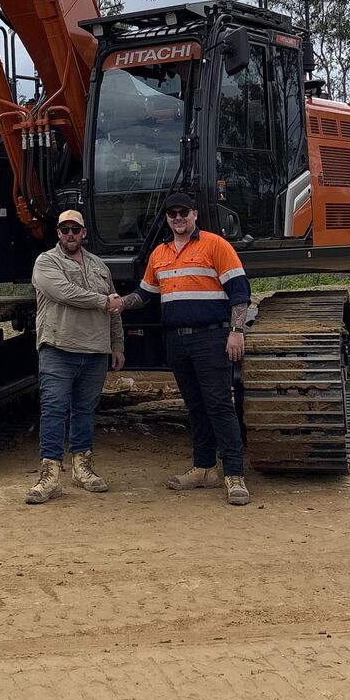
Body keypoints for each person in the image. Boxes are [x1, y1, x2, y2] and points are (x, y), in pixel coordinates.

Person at [111, 192, 251, 505]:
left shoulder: (215, 245)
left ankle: (234, 476)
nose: (178, 218)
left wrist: (236, 331)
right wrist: (120, 303)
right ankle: (203, 469)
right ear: (166, 218)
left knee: (219, 405)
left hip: (211, 338)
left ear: (195, 215)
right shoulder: (160, 254)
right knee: (196, 406)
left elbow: (239, 292)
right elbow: (145, 295)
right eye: (172, 213)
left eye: (183, 212)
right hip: (176, 340)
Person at [26, 209, 125, 504]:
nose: (70, 234)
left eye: (75, 229)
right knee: (54, 409)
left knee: (84, 410)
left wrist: (116, 344)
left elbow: (115, 308)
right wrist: (102, 301)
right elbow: (64, 292)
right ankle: (50, 475)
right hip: (58, 347)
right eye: (64, 229)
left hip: (95, 350)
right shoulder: (46, 262)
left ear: (84, 233)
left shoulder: (99, 266)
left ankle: (82, 468)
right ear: (58, 233)